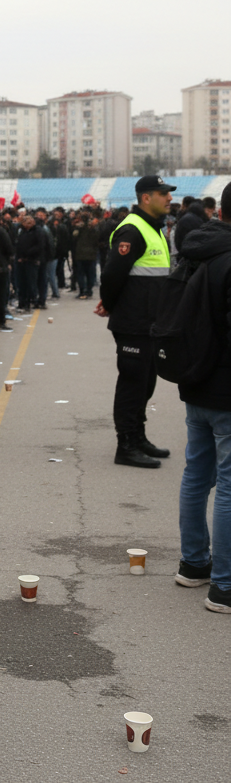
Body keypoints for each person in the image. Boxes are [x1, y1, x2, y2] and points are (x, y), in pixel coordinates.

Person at [173, 182, 231, 612]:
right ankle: (224, 585)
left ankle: (194, 563)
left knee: (197, 474)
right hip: (225, 386)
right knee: (227, 484)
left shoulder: (197, 249)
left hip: (195, 377)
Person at [96, 175, 174, 469]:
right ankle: (126, 445)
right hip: (133, 323)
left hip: (150, 323)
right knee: (132, 383)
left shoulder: (153, 229)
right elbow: (112, 275)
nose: (169, 198)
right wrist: (110, 305)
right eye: (163, 193)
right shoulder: (133, 230)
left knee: (146, 383)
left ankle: (139, 437)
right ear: (146, 197)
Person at [14, 215, 42, 311]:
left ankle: (32, 301)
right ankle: (22, 302)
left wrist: (27, 253)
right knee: (21, 283)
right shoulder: (21, 231)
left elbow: (39, 246)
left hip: (31, 260)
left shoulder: (37, 232)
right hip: (21, 260)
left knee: (31, 283)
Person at [71, 212, 101, 298]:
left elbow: (73, 238)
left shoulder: (78, 228)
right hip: (91, 255)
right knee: (90, 274)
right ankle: (89, 290)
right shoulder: (93, 229)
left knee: (81, 274)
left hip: (80, 255)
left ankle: (82, 291)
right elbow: (97, 239)